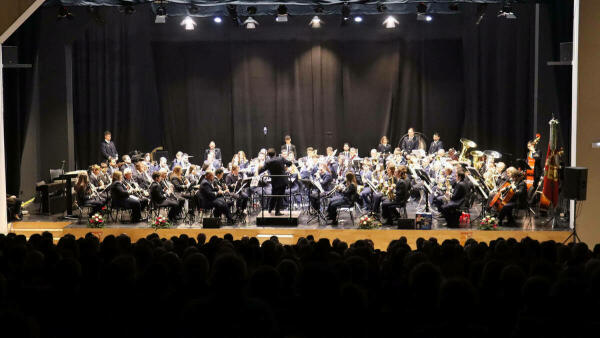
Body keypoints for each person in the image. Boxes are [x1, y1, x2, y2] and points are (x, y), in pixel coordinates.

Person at [259, 148, 292, 215]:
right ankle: (277, 211)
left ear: (268, 155)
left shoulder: (267, 162)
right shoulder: (281, 158)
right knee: (280, 196)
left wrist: (259, 168)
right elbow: (289, 163)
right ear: (275, 153)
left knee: (273, 195)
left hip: (274, 181)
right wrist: (285, 166)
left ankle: (270, 208)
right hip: (283, 180)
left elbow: (262, 170)